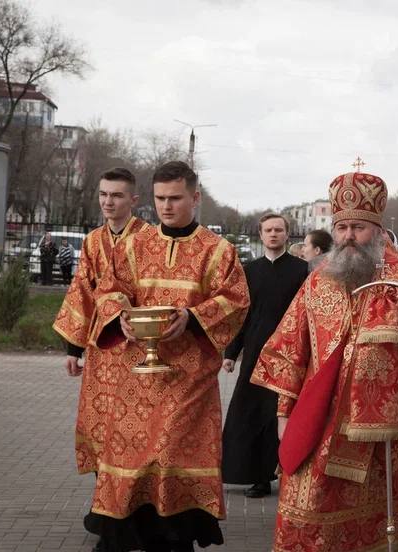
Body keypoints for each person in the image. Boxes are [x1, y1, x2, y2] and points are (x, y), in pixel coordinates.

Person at [250, 171, 398, 551]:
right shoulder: (318, 282)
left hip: (390, 436)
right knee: (306, 516)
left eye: (358, 227)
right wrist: (284, 414)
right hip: (322, 421)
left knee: (384, 527)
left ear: (377, 231)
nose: (348, 236)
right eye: (342, 226)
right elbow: (289, 349)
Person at [86, 160, 250, 551]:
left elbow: (237, 300)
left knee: (171, 457)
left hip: (187, 383)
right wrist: (119, 316)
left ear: (194, 197)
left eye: (175, 198)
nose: (166, 206)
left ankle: (173, 540)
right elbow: (108, 289)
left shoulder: (218, 250)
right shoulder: (133, 245)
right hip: (135, 381)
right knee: (132, 463)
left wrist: (193, 317)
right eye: (160, 198)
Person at [53, 168, 150, 499]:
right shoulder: (93, 240)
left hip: (136, 348)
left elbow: (156, 293)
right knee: (100, 427)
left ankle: (133, 508)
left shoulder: (149, 239)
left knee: (133, 429)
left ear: (133, 200)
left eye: (117, 195)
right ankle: (104, 504)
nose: (108, 202)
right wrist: (72, 348)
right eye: (103, 194)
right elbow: (81, 289)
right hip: (100, 352)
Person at [221, 213, 308, 498]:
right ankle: (256, 476)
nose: (274, 234)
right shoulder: (249, 271)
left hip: (291, 353)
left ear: (286, 234)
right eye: (269, 230)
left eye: (279, 230)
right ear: (261, 234)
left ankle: (287, 474)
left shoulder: (301, 270)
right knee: (251, 413)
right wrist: (231, 353)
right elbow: (241, 315)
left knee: (284, 415)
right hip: (256, 352)